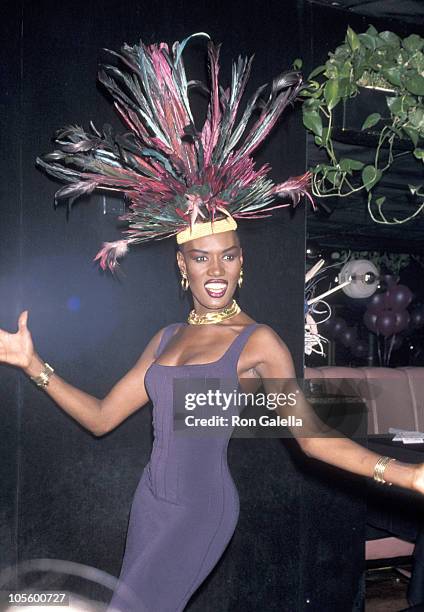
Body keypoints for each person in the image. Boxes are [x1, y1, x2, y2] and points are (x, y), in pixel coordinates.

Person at [1, 32, 423, 612]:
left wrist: (405, 476)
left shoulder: (258, 342)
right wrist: (32, 364)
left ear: (242, 263)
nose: (216, 268)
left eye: (228, 254)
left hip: (202, 510)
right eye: (202, 257)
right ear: (183, 265)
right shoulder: (167, 338)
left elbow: (313, 439)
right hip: (150, 504)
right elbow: (101, 419)